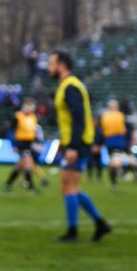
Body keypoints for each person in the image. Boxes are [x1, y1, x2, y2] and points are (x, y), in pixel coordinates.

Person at [47, 49, 111, 242]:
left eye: (51, 64)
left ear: (62, 66)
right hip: (75, 142)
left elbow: (78, 118)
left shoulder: (70, 87)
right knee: (70, 185)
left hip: (78, 144)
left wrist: (73, 147)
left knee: (68, 185)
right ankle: (100, 223)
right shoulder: (66, 86)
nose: (48, 68)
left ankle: (73, 231)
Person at [4, 98, 42, 193]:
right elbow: (11, 131)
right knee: (28, 163)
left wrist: (37, 142)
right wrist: (13, 144)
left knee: (19, 165)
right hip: (21, 143)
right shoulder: (17, 116)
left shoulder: (33, 117)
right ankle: (31, 187)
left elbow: (32, 131)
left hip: (29, 143)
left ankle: (7, 184)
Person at [99, 99, 129, 187]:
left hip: (109, 140)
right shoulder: (120, 115)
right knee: (118, 159)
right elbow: (123, 130)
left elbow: (103, 129)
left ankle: (113, 178)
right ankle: (117, 173)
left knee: (112, 160)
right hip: (118, 140)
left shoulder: (105, 116)